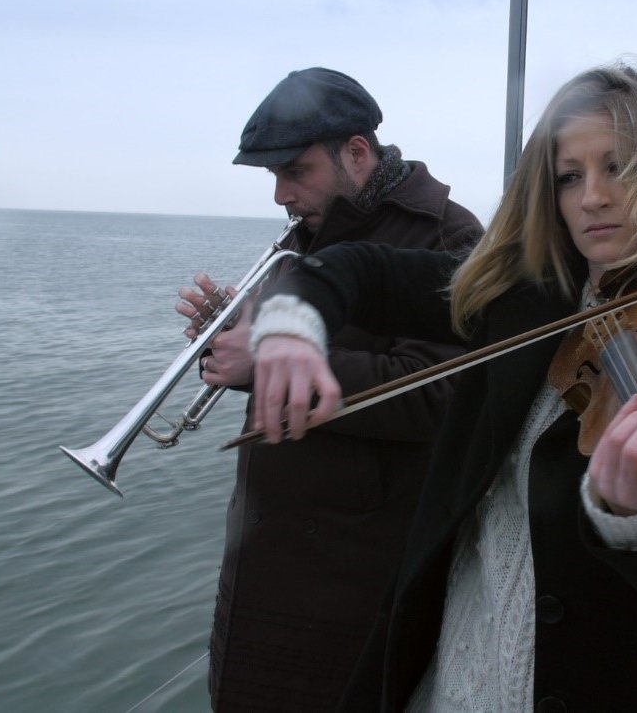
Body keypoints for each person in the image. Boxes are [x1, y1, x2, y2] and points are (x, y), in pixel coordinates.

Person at [241, 62, 637, 711]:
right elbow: (358, 268)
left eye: (620, 168)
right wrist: (290, 327)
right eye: (569, 176)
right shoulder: (518, 297)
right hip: (454, 659)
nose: (592, 197)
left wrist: (636, 516)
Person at [176, 67, 483, 711]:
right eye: (274, 177)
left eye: (295, 171)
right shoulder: (298, 245)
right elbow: (284, 380)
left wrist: (264, 363)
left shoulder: (450, 236)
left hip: (357, 578)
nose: (281, 194)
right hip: (261, 566)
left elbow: (440, 398)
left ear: (357, 153)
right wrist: (230, 343)